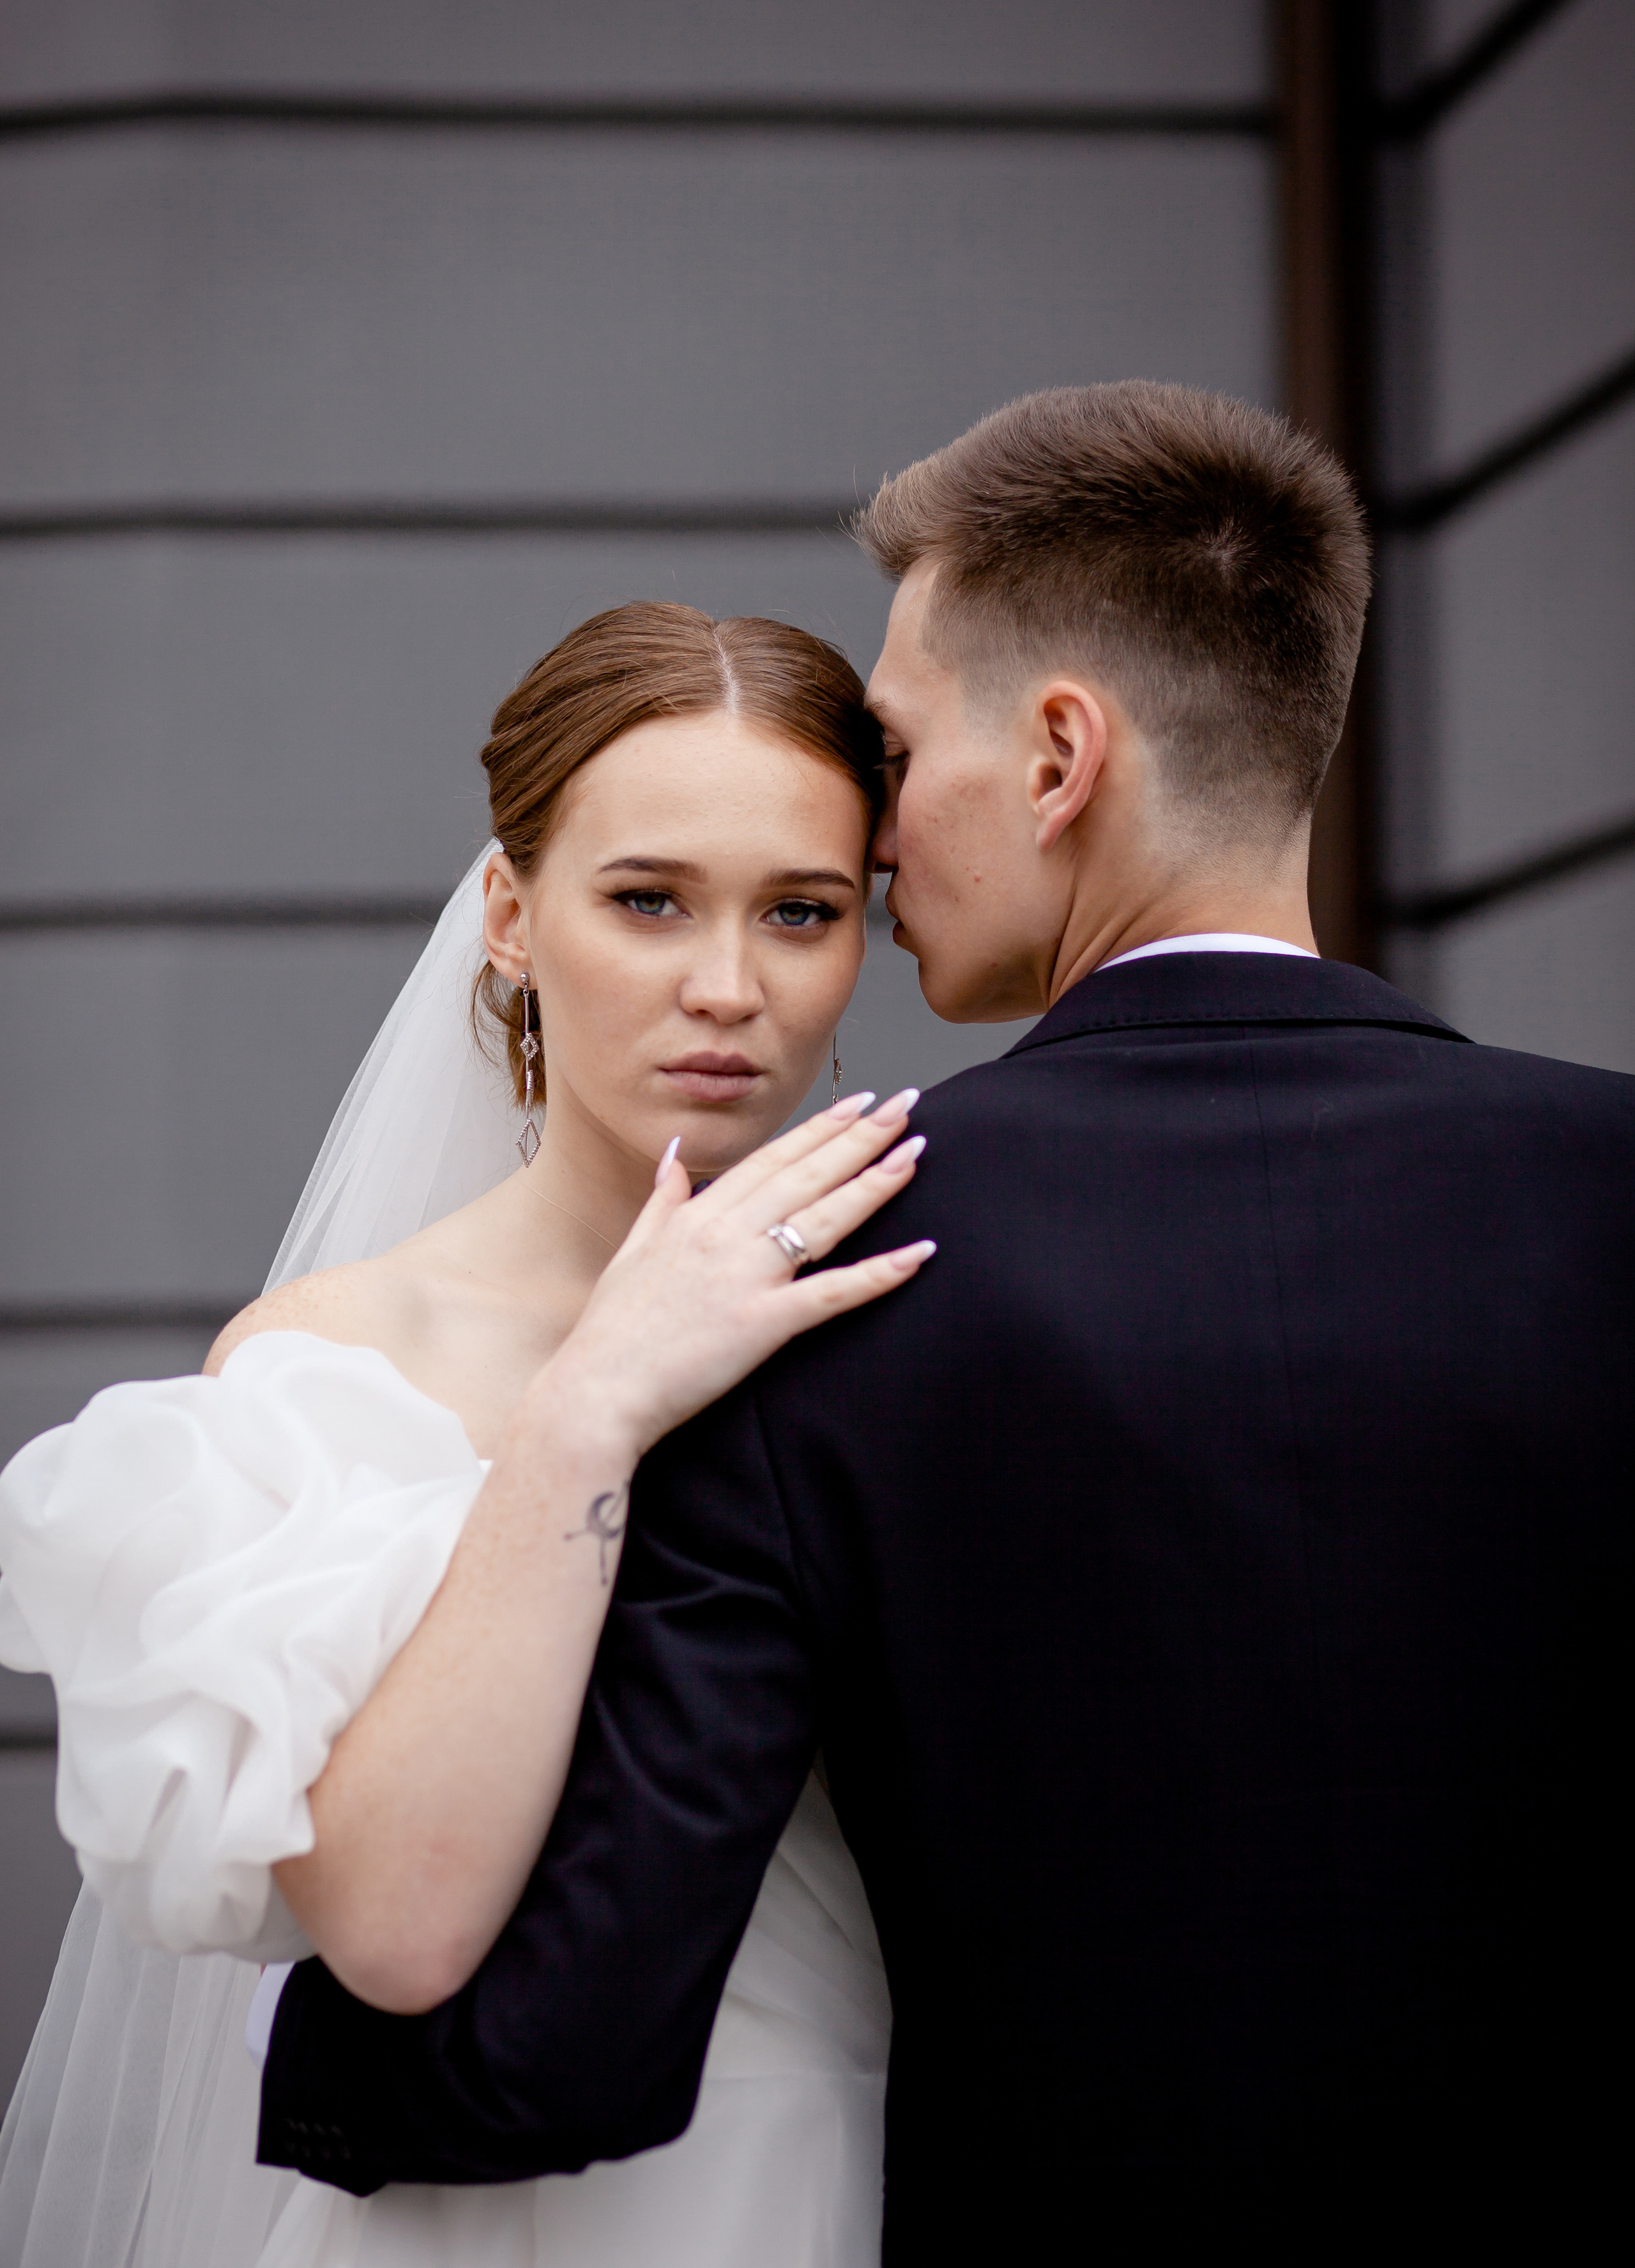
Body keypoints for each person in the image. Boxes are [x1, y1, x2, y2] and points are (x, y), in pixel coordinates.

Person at [256, 384, 1631, 2252]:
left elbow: (569, 2036)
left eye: (896, 753)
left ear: (1060, 755)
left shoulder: (822, 1259)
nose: (883, 837)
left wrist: (301, 2064)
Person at [0, 604, 934, 2267]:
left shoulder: (934, 1322)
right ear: (509, 915)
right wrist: (590, 1407)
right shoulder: (332, 1363)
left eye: (801, 912)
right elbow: (403, 1933)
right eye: (647, 901)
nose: (727, 987)